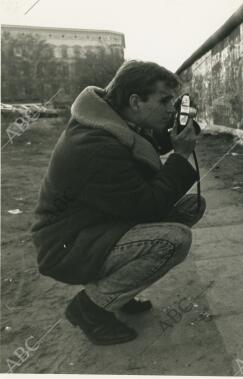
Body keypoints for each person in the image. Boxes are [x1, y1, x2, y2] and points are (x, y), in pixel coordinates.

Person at [31, 60, 206, 345]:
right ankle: (90, 309)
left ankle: (119, 293)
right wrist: (181, 156)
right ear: (135, 101)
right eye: (164, 101)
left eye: (173, 102)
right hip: (67, 245)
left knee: (192, 206)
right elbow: (148, 206)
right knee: (174, 239)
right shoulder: (95, 144)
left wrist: (176, 133)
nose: (170, 109)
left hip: (94, 227)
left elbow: (145, 150)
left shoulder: (114, 122)